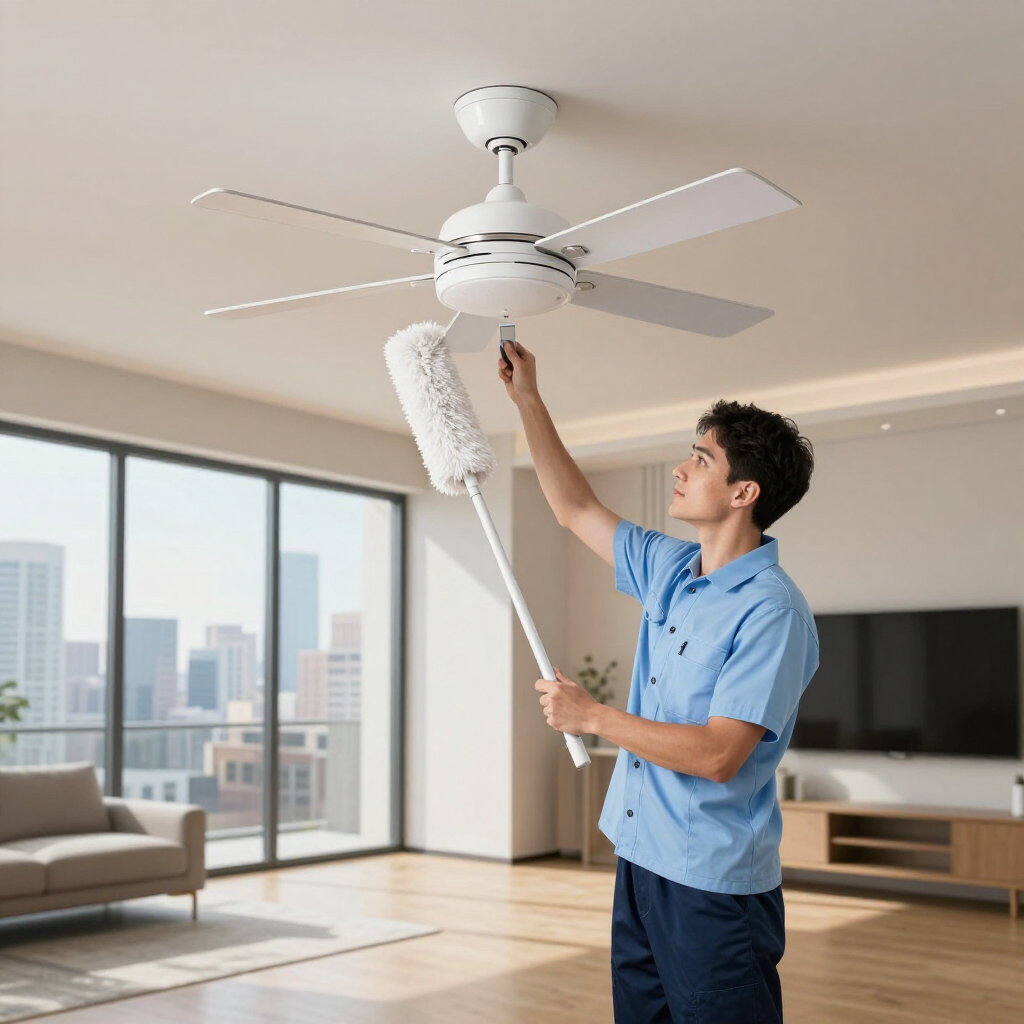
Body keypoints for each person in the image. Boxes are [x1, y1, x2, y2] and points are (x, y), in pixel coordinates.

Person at [498, 340, 818, 1024]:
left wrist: (593, 718)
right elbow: (575, 509)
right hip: (641, 859)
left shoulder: (773, 611)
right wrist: (527, 398)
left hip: (711, 885)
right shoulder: (671, 569)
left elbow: (717, 753)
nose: (681, 468)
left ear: (743, 492)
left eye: (701, 459)